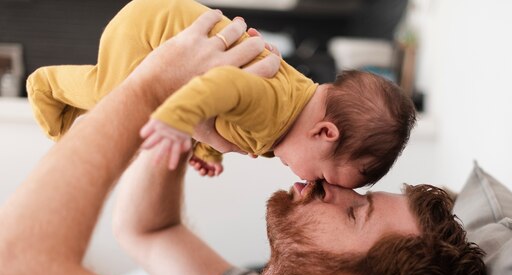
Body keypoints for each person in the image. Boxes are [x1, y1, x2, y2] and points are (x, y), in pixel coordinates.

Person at [0, 10, 486, 275]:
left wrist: (150, 87)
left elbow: (14, 270)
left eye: (356, 211)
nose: (330, 188)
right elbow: (148, 229)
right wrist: (181, 114)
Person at [26, 0, 416, 188]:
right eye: (325, 179)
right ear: (325, 133)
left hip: (170, 27)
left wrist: (207, 147)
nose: (310, 186)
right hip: (152, 29)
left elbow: (222, 113)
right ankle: (47, 85)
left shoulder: (292, 119)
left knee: (126, 119)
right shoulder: (275, 107)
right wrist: (174, 123)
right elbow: (220, 86)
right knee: (112, 95)